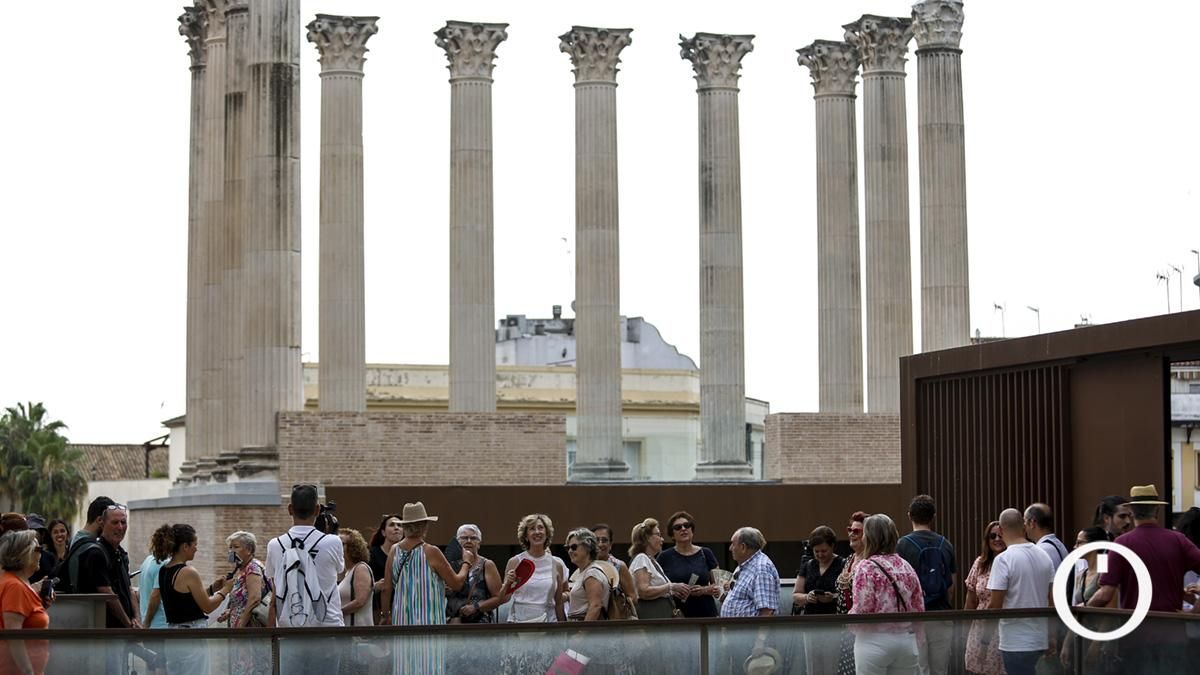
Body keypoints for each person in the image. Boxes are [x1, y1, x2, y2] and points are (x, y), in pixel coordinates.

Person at [1087, 485, 1200, 675]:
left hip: (1135, 637)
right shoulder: (1178, 540)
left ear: (1131, 512)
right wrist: (1194, 612)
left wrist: (1082, 610)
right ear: (1156, 509)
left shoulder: (1122, 544)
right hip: (1173, 635)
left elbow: (1105, 593)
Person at [380, 502, 472, 673]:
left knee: (404, 667)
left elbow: (386, 588)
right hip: (429, 624)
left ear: (406, 526)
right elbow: (457, 583)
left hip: (402, 623)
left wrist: (385, 615)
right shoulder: (431, 551)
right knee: (429, 666)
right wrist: (466, 562)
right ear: (424, 526)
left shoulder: (393, 550)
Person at [266, 484, 345, 674]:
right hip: (326, 630)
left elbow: (274, 582)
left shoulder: (275, 545)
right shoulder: (333, 542)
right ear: (318, 510)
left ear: (290, 509)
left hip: (289, 632)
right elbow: (340, 571)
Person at [152, 523, 233, 675]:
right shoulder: (188, 572)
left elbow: (183, 599)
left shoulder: (164, 570)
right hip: (191, 637)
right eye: (195, 544)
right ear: (185, 546)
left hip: (172, 637)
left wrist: (211, 589)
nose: (196, 548)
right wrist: (225, 590)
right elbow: (207, 607)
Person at [849, 513, 926, 675]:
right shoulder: (906, 567)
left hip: (873, 641)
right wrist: (918, 640)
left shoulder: (866, 567)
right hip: (905, 642)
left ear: (870, 538)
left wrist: (849, 622)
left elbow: (863, 609)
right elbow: (918, 607)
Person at [987, 508, 1055, 675]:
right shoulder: (1044, 555)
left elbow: (995, 604)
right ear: (1023, 527)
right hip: (1040, 639)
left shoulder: (1003, 560)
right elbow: (1052, 600)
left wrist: (984, 636)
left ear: (1001, 531)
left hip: (1014, 640)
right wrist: (1052, 636)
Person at [896, 495, 955, 675]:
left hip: (914, 618)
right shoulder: (946, 545)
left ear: (909, 515)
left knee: (919, 669)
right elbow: (951, 587)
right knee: (940, 669)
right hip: (941, 615)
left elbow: (900, 586)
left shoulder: (902, 545)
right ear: (933, 517)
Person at [74, 503, 138, 628]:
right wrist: (128, 625)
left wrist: (136, 618)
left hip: (126, 634)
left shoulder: (121, 553)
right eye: (114, 522)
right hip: (105, 634)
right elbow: (107, 594)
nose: (120, 527)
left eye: (123, 522)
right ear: (102, 524)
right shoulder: (96, 553)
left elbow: (129, 590)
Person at [1058, 527, 1113, 673]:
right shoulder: (1082, 573)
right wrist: (1067, 643)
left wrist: (1097, 644)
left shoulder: (1105, 572)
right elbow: (1075, 614)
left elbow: (1110, 612)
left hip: (1100, 640)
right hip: (1081, 637)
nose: (1075, 547)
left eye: (1079, 543)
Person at [791, 525, 844, 673]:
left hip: (833, 623)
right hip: (811, 622)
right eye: (816, 551)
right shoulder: (808, 565)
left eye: (824, 551)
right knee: (812, 665)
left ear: (832, 546)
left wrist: (832, 597)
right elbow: (796, 594)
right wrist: (808, 597)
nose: (820, 555)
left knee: (830, 665)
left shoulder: (842, 564)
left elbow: (848, 595)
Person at [0, 530, 50, 675]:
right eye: (38, 549)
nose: (42, 554)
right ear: (25, 553)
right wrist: (28, 671)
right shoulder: (14, 586)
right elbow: (13, 634)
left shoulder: (17, 584)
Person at [501, 513, 566, 623]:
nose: (537, 532)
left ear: (547, 533)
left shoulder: (557, 564)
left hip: (548, 623)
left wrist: (565, 631)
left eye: (540, 528)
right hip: (520, 622)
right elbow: (504, 599)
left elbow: (558, 603)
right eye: (532, 529)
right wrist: (507, 583)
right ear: (526, 536)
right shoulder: (515, 562)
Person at [657, 511, 719, 617]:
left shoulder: (706, 553)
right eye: (678, 527)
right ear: (672, 535)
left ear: (692, 530)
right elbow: (657, 585)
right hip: (677, 614)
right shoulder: (664, 557)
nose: (683, 529)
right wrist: (673, 589)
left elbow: (719, 585)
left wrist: (703, 590)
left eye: (687, 525)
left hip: (706, 613)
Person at [963, 520, 1006, 675]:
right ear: (986, 540)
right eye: (992, 536)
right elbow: (971, 601)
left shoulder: (1011, 561)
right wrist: (964, 630)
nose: (997, 539)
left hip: (1003, 627)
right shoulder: (980, 563)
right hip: (979, 627)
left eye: (1001, 535)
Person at [630, 518, 687, 619]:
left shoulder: (651, 560)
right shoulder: (641, 558)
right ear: (647, 537)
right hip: (652, 614)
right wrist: (671, 587)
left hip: (660, 614)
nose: (662, 539)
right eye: (658, 535)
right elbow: (643, 591)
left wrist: (675, 591)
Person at [445, 524, 503, 623]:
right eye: (464, 538)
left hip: (480, 623)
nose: (468, 541)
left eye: (473, 538)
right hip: (454, 624)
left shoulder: (487, 565)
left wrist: (476, 607)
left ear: (479, 543)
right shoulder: (449, 564)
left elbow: (498, 597)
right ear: (457, 542)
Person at [836, 511, 868, 675]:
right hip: (846, 627)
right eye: (849, 529)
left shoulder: (870, 561)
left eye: (856, 531)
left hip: (864, 628)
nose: (851, 534)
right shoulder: (849, 559)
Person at [565, 528, 609, 621]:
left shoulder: (592, 573)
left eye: (573, 547)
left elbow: (595, 606)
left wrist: (582, 634)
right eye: (567, 548)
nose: (570, 551)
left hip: (587, 631)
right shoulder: (584, 572)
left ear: (587, 547)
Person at [368, 514, 402, 624]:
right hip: (377, 607)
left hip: (401, 607)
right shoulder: (372, 553)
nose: (396, 528)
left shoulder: (408, 554)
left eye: (400, 525)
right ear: (383, 532)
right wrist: (375, 586)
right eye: (392, 525)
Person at [591, 523, 637, 603]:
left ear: (610, 544)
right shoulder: (585, 565)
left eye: (604, 540)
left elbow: (633, 596)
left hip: (613, 615)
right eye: (596, 540)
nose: (600, 544)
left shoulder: (619, 566)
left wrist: (620, 604)